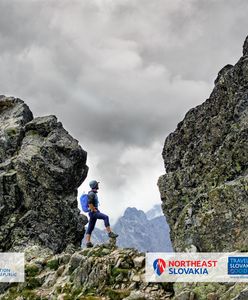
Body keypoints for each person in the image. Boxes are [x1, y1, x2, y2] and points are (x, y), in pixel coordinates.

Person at [85, 180, 118, 248]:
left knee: (90, 227)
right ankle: (110, 233)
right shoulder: (92, 194)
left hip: (92, 213)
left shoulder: (93, 193)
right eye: (97, 184)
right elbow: (89, 203)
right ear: (95, 185)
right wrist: (93, 210)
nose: (98, 185)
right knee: (106, 217)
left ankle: (88, 242)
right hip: (93, 212)